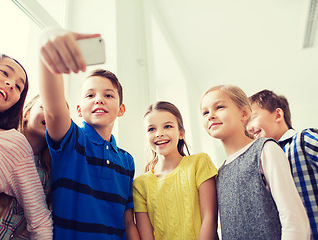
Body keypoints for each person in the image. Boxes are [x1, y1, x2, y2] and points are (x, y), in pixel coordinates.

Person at [38, 27, 139, 239]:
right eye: (90, 95)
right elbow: (54, 110)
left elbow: (128, 222)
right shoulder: (72, 140)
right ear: (78, 110)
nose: (98, 99)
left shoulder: (127, 161)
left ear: (121, 109)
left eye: (108, 95)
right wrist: (48, 49)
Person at [200, 85, 310, 240]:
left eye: (219, 107)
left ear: (244, 113)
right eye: (205, 112)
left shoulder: (266, 149)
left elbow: (294, 220)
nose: (210, 115)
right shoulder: (220, 173)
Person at [0, 53, 52, 239]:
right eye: (4, 72)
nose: (11, 84)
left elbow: (40, 220)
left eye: (19, 86)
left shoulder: (12, 145)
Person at [133, 101, 218, 240]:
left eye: (167, 126)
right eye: (151, 129)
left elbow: (210, 217)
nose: (159, 134)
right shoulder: (140, 185)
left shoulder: (199, 163)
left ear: (181, 133)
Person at [248, 89, 318, 239]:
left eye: (252, 118)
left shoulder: (303, 139)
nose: (248, 128)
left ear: (278, 115)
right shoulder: (263, 162)